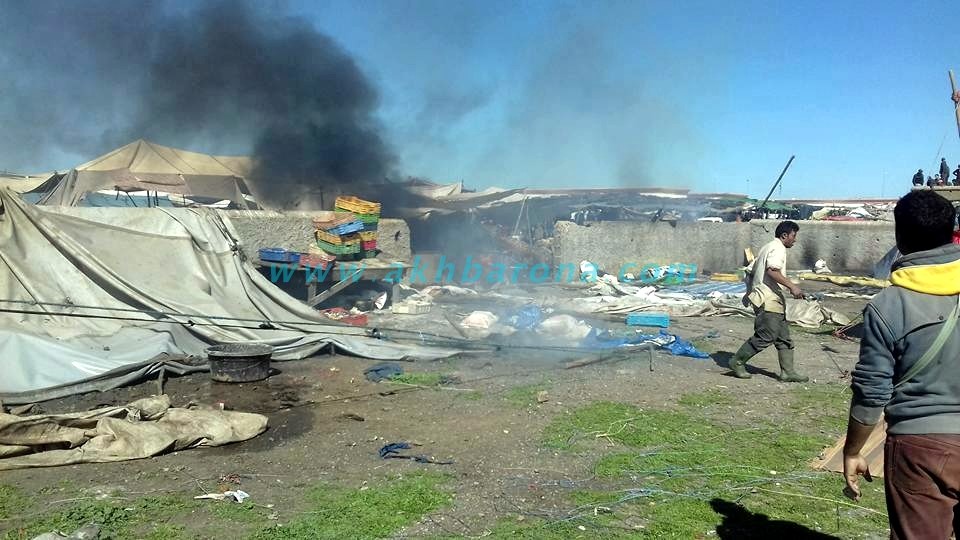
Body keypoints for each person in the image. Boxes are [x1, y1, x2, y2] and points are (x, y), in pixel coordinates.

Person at [842, 190, 960, 539]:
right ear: (951, 231)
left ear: (899, 237)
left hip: (921, 447)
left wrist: (853, 450)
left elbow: (871, 391)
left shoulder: (888, 305)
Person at [729, 221, 808, 382]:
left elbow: (750, 270)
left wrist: (749, 292)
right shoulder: (777, 248)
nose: (795, 240)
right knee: (766, 335)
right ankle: (737, 361)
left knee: (784, 338)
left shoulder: (767, 247)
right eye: (793, 236)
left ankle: (788, 372)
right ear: (784, 235)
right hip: (768, 300)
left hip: (774, 300)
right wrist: (792, 287)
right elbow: (772, 271)